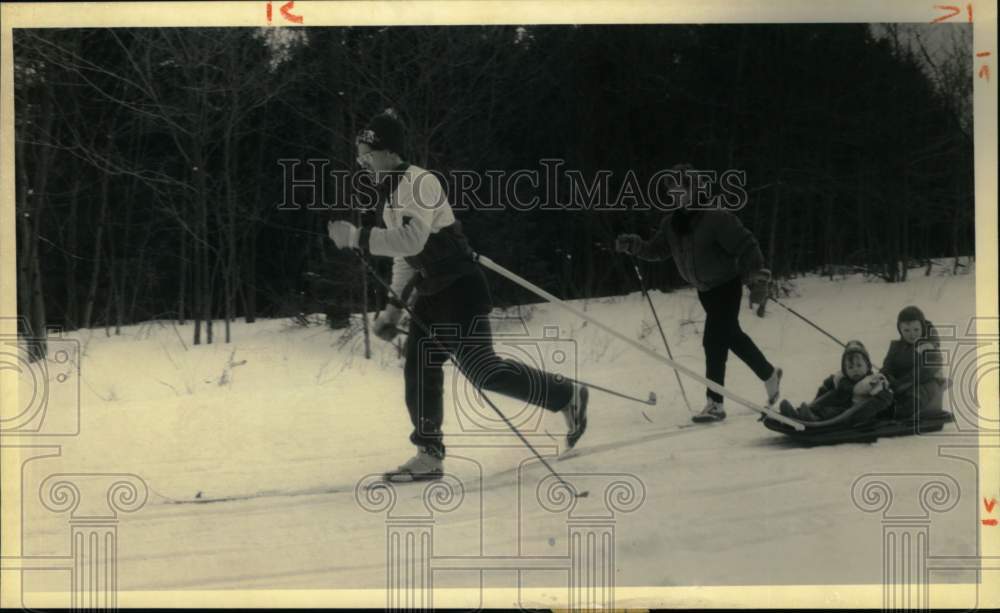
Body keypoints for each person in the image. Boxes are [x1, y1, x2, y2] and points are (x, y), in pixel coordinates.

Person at [327, 110, 588, 481]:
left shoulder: (419, 183)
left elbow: (412, 239)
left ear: (388, 152)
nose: (362, 163)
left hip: (461, 288)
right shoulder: (389, 199)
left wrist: (357, 238)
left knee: (484, 371)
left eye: (366, 154)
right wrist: (393, 310)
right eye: (359, 156)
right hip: (431, 292)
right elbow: (406, 258)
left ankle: (566, 396)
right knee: (419, 367)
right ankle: (428, 454)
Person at [615, 165, 781, 422]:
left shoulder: (716, 217)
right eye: (672, 191)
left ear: (695, 189)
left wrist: (757, 278)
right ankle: (769, 374)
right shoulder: (672, 224)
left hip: (726, 285)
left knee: (713, 341)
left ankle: (715, 403)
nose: (676, 195)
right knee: (732, 337)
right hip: (705, 291)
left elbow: (746, 245)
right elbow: (656, 250)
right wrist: (634, 245)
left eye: (681, 189)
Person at [778, 340, 893, 424]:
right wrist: (827, 387)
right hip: (844, 406)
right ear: (845, 370)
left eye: (859, 365)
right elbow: (828, 388)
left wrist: (881, 392)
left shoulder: (872, 381)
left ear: (868, 365)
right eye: (850, 367)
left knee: (832, 412)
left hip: (855, 413)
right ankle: (799, 414)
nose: (855, 370)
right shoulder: (844, 379)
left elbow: (885, 396)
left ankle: (813, 419)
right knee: (829, 400)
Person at [880, 305, 947, 420]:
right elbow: (887, 366)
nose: (912, 334)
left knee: (916, 396)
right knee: (881, 390)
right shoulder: (896, 347)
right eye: (906, 330)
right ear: (900, 330)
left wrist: (902, 383)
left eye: (916, 329)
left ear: (923, 328)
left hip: (924, 384)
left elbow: (926, 371)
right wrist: (884, 377)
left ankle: (896, 412)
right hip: (901, 385)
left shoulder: (928, 348)